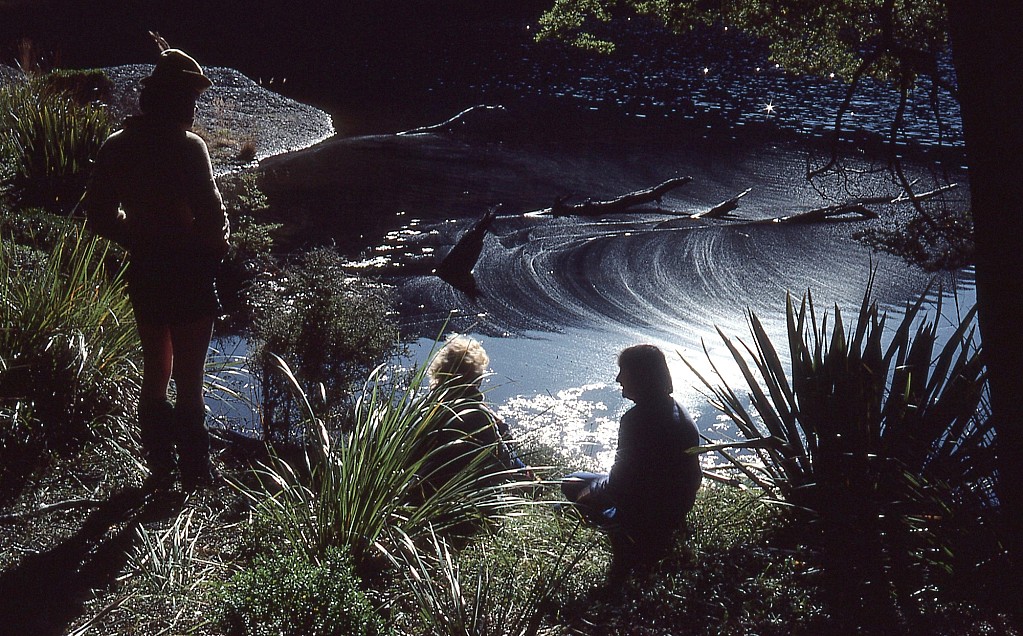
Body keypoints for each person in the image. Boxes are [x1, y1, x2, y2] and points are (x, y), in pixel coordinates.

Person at [83, 48, 230, 492]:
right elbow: (212, 218)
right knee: (189, 381)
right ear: (178, 100)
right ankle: (197, 474)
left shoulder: (116, 146)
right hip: (188, 274)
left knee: (155, 372)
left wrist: (141, 235)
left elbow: (99, 216)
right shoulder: (189, 148)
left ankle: (159, 467)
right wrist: (215, 245)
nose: (194, 107)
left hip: (145, 271)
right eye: (191, 98)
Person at [562, 344, 702, 582]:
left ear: (640, 376)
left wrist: (586, 497)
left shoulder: (636, 420)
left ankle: (619, 529)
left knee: (570, 491)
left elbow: (619, 485)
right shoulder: (678, 409)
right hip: (676, 507)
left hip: (645, 513)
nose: (618, 379)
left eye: (623, 372)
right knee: (576, 480)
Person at [423, 335, 528, 490]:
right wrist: (502, 429)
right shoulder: (477, 416)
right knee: (519, 470)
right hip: (464, 495)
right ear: (476, 379)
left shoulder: (426, 407)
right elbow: (502, 464)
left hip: (424, 489)